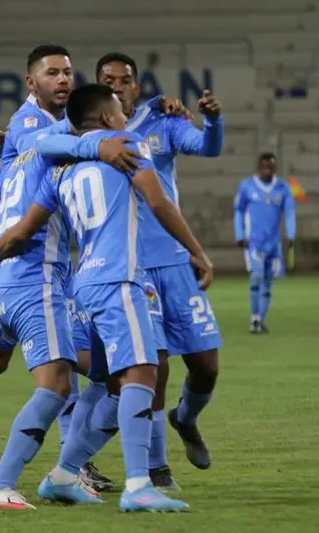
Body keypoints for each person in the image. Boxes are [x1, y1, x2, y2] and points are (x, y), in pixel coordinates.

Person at [0, 84, 213, 513]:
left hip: (82, 285)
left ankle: (64, 474)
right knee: (143, 373)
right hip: (117, 279)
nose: (126, 118)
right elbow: (159, 201)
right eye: (119, 112)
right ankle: (138, 484)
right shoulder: (126, 144)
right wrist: (197, 252)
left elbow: (26, 228)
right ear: (108, 118)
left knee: (113, 385)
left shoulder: (61, 165)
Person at [39, 52, 225, 484]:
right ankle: (153, 472)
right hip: (129, 269)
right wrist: (95, 144)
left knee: (205, 365)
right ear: (102, 91)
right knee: (148, 369)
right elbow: (44, 143)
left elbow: (207, 147)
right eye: (109, 80)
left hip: (173, 262)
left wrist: (211, 121)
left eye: (125, 80)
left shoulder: (161, 121)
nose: (119, 86)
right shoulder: (93, 134)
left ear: (137, 88)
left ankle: (185, 418)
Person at [0, 113, 138, 502]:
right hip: (37, 282)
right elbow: (55, 146)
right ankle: (2, 486)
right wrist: (100, 145)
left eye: (67, 72)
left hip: (3, 284)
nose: (63, 79)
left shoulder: (18, 164)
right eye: (53, 73)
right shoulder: (52, 150)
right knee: (58, 385)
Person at [234, 152, 297, 334]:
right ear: (258, 167)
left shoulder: (283, 188)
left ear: (275, 169)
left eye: (270, 167)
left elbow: (290, 212)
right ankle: (254, 317)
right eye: (264, 167)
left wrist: (291, 234)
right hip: (254, 243)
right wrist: (239, 234)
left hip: (273, 244)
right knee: (256, 278)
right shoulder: (247, 187)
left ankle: (260, 319)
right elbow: (238, 210)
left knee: (268, 284)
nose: (266, 171)